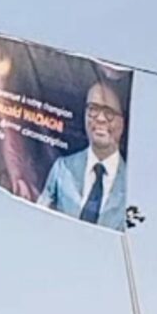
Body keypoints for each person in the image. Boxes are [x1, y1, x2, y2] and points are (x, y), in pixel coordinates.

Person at [37, 79, 127, 230]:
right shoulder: (62, 168)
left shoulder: (131, 186)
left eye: (109, 113)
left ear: (122, 122)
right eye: (93, 109)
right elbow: (38, 220)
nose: (100, 118)